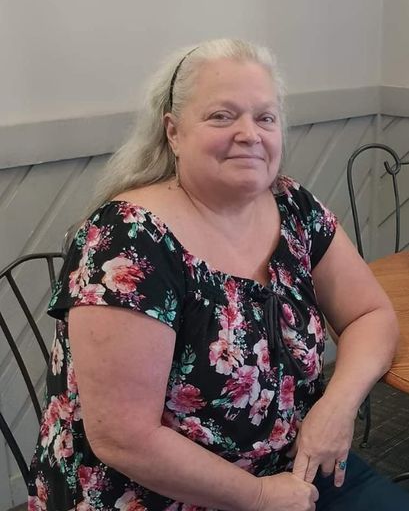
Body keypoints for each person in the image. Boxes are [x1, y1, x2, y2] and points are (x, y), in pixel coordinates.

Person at [28, 38, 409, 511]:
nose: (250, 134)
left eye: (265, 118)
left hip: (295, 465)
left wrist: (336, 408)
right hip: (157, 494)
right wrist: (260, 496)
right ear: (173, 132)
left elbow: (370, 314)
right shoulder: (130, 240)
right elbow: (123, 438)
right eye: (222, 116)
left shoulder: (293, 206)